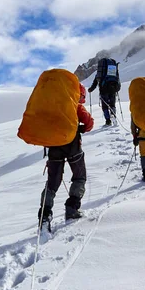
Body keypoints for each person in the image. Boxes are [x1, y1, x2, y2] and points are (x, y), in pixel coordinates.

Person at [39, 83, 94, 231]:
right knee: (79, 176)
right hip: (73, 145)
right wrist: (81, 128)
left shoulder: (53, 106)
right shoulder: (74, 105)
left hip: (54, 147)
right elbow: (89, 123)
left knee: (52, 183)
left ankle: (44, 216)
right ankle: (72, 208)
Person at [87, 53, 120, 126]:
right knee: (112, 104)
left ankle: (108, 121)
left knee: (105, 106)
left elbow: (95, 83)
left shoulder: (100, 73)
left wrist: (90, 89)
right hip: (113, 89)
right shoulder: (113, 72)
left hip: (103, 89)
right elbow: (117, 79)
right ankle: (113, 115)